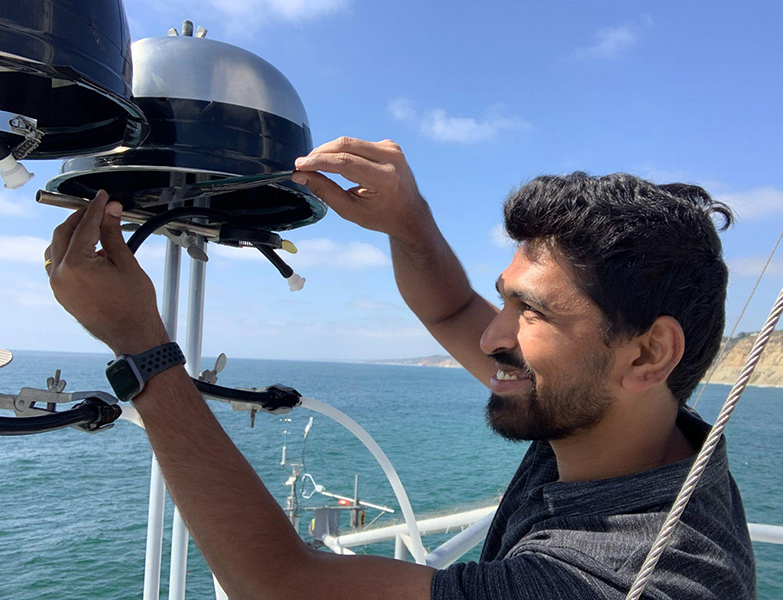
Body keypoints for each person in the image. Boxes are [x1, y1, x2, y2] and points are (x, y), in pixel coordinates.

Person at [45, 137, 756, 599]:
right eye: (505, 301)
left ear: (648, 352)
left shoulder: (607, 579)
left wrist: (140, 344)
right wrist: (409, 222)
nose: (492, 337)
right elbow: (452, 312)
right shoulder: (638, 423)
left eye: (532, 312)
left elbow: (279, 584)